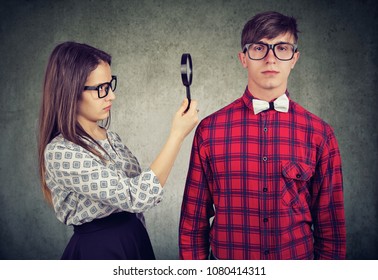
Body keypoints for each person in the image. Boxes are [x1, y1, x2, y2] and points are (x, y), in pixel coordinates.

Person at [179, 11, 346, 260]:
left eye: (282, 48)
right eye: (259, 48)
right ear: (243, 58)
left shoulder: (320, 134)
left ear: (294, 58)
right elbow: (193, 226)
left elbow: (331, 231)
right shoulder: (209, 131)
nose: (270, 59)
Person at [38, 41, 198, 260]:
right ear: (70, 91)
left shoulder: (110, 137)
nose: (111, 95)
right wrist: (177, 135)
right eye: (101, 89)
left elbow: (142, 187)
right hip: (100, 251)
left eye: (110, 84)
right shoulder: (61, 152)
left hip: (134, 240)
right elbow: (137, 196)